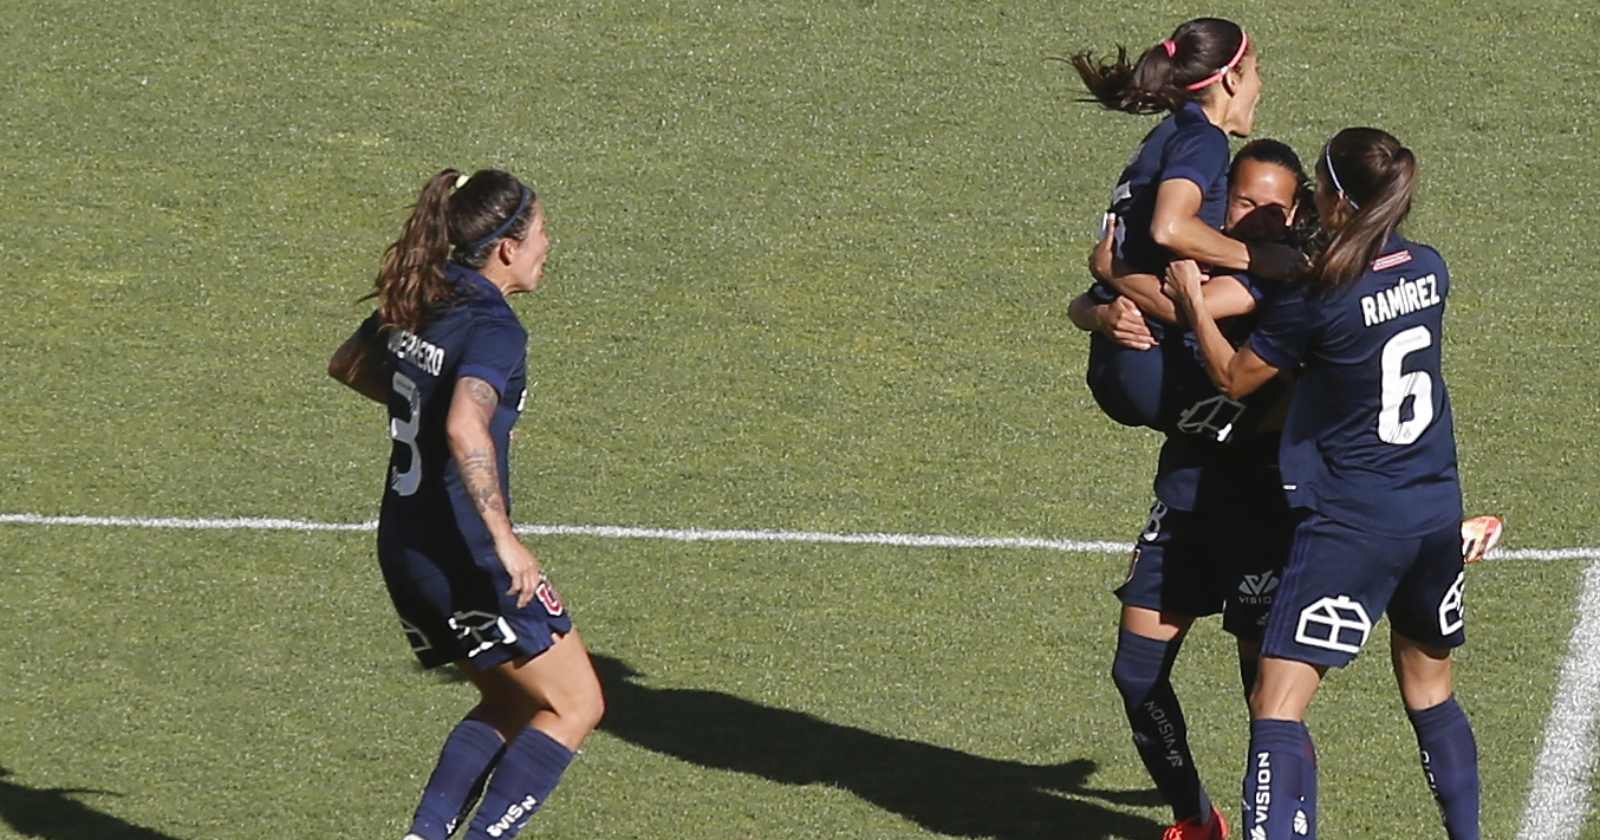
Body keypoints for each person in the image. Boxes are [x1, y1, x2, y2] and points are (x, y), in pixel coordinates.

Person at [1164, 128, 1480, 840]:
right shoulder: (1431, 268)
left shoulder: (1320, 296)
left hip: (1351, 521)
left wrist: (1188, 296)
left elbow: (1233, 376)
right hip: (1434, 511)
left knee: (1277, 706)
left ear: (1336, 197)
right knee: (1431, 695)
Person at [328, 168, 604, 840]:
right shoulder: (495, 328)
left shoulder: (422, 294)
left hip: (405, 546)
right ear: (506, 248)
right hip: (468, 552)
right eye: (541, 233)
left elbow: (350, 364)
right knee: (576, 705)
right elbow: (462, 425)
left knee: (511, 699)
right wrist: (505, 539)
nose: (548, 245)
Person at [1069, 139, 1312, 840]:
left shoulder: (1284, 279)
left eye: (1275, 205)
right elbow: (1084, 305)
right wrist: (1101, 311)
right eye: (1243, 201)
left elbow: (1191, 306)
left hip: (1265, 507)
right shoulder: (1199, 259)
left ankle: (1289, 828)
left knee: (1270, 703)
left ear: (1297, 214)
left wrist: (1115, 268)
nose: (1259, 215)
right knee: (1136, 676)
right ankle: (1195, 820)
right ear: (1218, 203)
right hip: (1186, 496)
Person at [1068, 17, 1302, 432]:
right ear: (1231, 79)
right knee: (1306, 405)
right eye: (1256, 71)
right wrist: (1257, 259)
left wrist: (1106, 282)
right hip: (1157, 366)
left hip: (1116, 355)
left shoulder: (1167, 134)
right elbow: (1169, 228)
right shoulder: (1204, 140)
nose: (1260, 86)